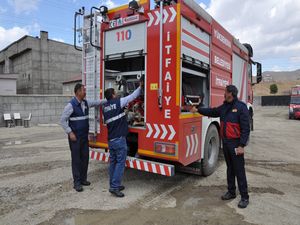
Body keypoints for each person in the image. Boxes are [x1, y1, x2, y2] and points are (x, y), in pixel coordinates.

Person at [190, 85, 250, 208]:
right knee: (230, 169)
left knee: (239, 171)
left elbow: (246, 129)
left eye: (225, 92)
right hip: (226, 143)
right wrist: (198, 110)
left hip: (236, 144)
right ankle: (231, 191)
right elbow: (212, 111)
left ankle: (244, 197)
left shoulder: (241, 108)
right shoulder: (224, 107)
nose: (224, 94)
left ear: (230, 94)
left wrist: (242, 145)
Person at [60, 83, 106, 192]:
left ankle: (83, 179)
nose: (85, 92)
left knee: (85, 158)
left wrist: (108, 100)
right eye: (83, 90)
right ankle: (77, 183)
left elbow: (97, 103)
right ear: (77, 92)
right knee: (76, 160)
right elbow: (62, 120)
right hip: (75, 138)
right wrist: (70, 133)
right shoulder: (70, 106)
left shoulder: (85, 103)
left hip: (84, 137)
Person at [103, 80, 143, 197]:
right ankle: (115, 187)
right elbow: (133, 96)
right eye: (115, 93)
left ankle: (113, 184)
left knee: (113, 162)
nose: (117, 94)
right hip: (119, 139)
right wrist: (141, 86)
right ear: (113, 95)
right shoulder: (119, 102)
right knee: (120, 163)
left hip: (111, 139)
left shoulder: (105, 107)